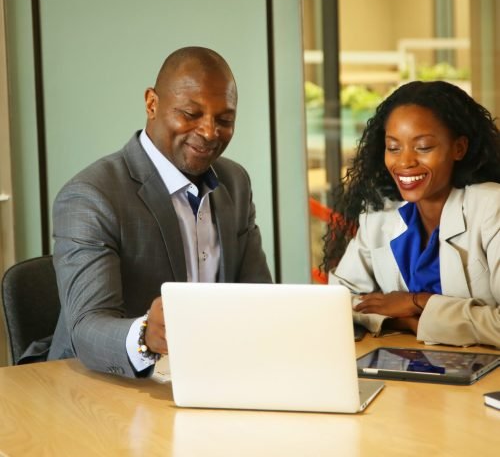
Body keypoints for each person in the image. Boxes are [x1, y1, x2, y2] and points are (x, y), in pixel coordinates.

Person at [44, 46, 272, 377]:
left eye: (224, 119)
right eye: (191, 114)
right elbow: (86, 327)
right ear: (152, 104)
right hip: (102, 387)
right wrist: (145, 335)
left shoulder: (234, 182)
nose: (210, 132)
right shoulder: (92, 195)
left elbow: (258, 295)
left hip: (210, 375)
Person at [323, 80, 500, 349]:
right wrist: (402, 321)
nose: (404, 162)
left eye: (424, 147)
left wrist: (419, 302)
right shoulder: (379, 215)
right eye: (393, 147)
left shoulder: (491, 207)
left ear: (458, 148)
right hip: (410, 374)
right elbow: (338, 300)